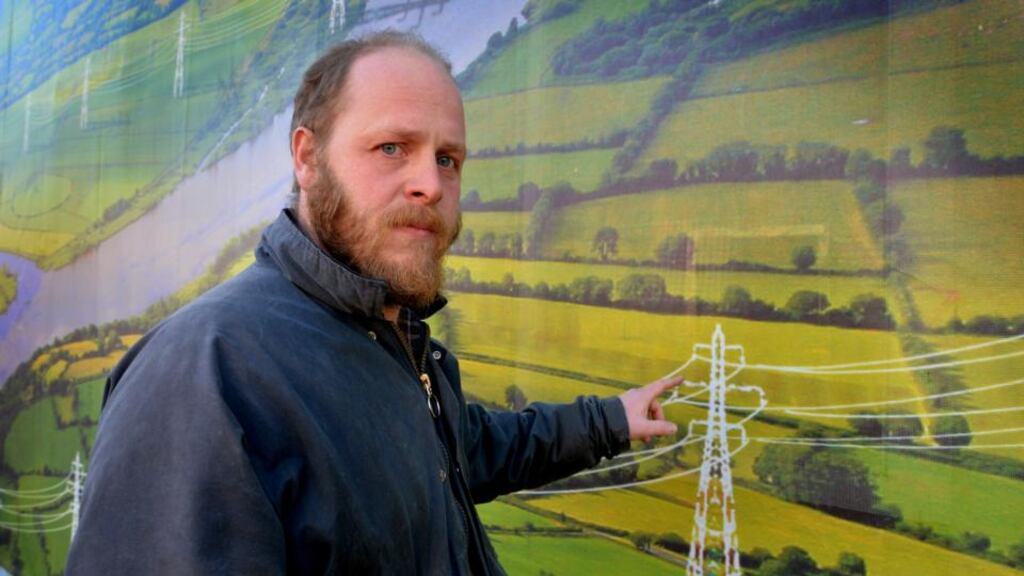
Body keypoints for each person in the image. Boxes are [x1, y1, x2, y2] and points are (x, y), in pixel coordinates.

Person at [66, 31, 679, 575]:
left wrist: (609, 420)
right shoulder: (205, 374)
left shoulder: (391, 337)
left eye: (448, 159)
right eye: (392, 148)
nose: (431, 185)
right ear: (308, 158)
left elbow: (467, 449)